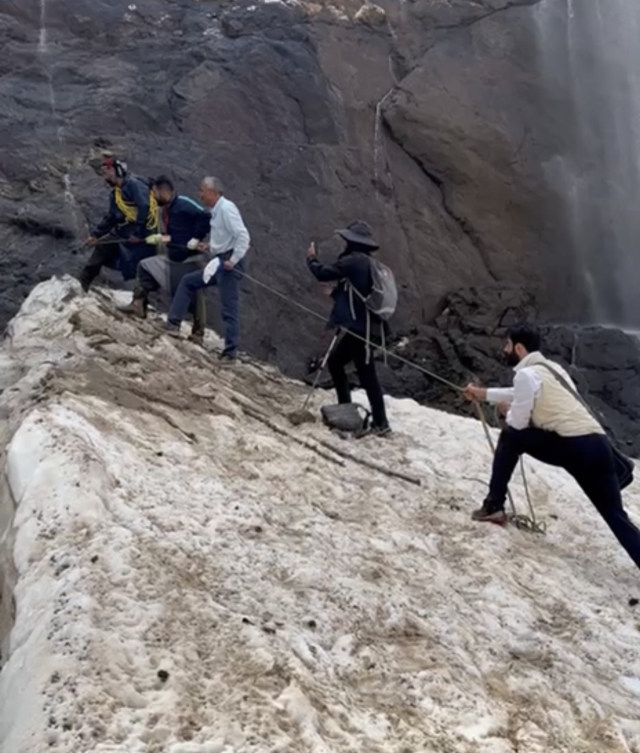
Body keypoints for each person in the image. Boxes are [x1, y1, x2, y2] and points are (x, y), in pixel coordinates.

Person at [464, 324, 640, 569]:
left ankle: (494, 505)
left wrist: (505, 410)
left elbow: (518, 422)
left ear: (519, 347)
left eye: (507, 345)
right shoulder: (553, 369)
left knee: (510, 437)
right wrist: (483, 394)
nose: (504, 351)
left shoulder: (525, 374)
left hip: (572, 446)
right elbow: (519, 392)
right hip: (598, 444)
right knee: (615, 515)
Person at [307, 220, 390, 438]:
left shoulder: (354, 261)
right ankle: (348, 410)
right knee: (337, 363)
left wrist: (311, 259)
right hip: (364, 327)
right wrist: (334, 294)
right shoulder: (365, 262)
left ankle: (381, 423)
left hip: (361, 329)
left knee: (367, 375)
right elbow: (355, 293)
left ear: (353, 242)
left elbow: (323, 273)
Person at [164, 177, 250, 362]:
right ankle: (173, 325)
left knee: (229, 307)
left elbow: (243, 236)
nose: (200, 194)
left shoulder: (226, 209)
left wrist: (233, 260)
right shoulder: (216, 211)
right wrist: (208, 246)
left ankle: (230, 353)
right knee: (189, 282)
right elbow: (224, 239)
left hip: (229, 263)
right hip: (220, 261)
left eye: (202, 191)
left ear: (212, 192)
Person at [119, 176, 210, 344]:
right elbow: (175, 235)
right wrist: (160, 237)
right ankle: (138, 305)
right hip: (172, 259)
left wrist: (196, 238)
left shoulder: (183, 203)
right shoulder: (166, 210)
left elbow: (206, 216)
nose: (152, 196)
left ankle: (198, 333)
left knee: (196, 292)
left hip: (191, 260)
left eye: (153, 192)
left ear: (162, 191)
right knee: (145, 267)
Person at [79, 157, 158, 292]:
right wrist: (95, 235)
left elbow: (144, 206)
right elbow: (112, 217)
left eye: (105, 171)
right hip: (126, 229)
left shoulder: (134, 184)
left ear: (113, 170)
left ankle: (140, 300)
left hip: (145, 230)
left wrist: (137, 233)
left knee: (141, 266)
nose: (104, 176)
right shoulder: (116, 194)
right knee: (103, 247)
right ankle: (82, 285)